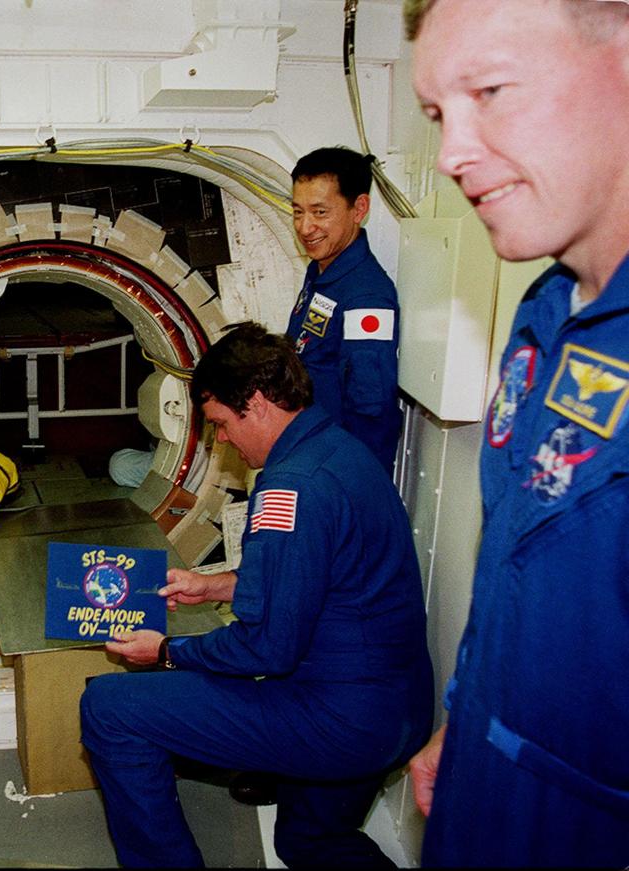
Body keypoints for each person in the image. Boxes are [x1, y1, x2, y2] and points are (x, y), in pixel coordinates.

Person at [79, 322, 433, 868]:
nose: (222, 440)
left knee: (109, 707)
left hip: (340, 718)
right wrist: (213, 585)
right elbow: (314, 578)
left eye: (221, 423)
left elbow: (267, 648)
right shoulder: (342, 452)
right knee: (306, 841)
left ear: (260, 403)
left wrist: (167, 652)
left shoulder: (287, 486)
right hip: (400, 709)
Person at [406, 0, 629, 864]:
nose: (453, 154)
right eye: (435, 115)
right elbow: (515, 568)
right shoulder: (545, 316)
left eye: (490, 90)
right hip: (489, 781)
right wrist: (463, 720)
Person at [285, 146, 402, 471]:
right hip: (309, 450)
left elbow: (370, 411)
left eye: (320, 212)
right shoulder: (321, 270)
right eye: (297, 211)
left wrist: (352, 488)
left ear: (359, 207)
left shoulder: (366, 298)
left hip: (338, 468)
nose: (305, 227)